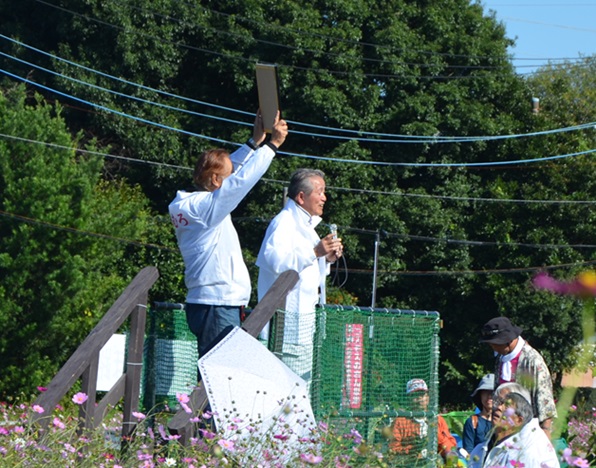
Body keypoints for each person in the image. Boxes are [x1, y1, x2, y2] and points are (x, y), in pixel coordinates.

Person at [169, 111, 288, 360]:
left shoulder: (191, 204)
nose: (230, 176)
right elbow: (239, 182)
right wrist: (272, 146)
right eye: (225, 176)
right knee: (219, 375)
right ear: (215, 180)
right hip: (217, 304)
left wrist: (253, 143)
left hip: (210, 302)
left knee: (217, 375)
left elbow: (231, 173)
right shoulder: (206, 208)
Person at [256, 168, 343, 385]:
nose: (325, 197)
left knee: (298, 394)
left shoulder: (307, 226)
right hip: (286, 333)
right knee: (289, 395)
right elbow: (275, 262)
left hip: (302, 330)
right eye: (320, 191)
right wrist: (315, 252)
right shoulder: (284, 222)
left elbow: (309, 274)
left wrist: (327, 259)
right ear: (301, 197)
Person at [479, 316, 557, 438]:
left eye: (494, 343)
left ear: (506, 340)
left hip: (528, 431)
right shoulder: (500, 359)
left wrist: (546, 435)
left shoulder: (532, 361)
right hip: (505, 430)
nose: (492, 347)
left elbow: (545, 403)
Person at [470, 391, 560, 468]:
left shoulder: (528, 451)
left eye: (507, 408)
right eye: (500, 403)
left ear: (519, 420)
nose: (499, 408)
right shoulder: (480, 449)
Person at [390, 378, 457, 462]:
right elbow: (392, 448)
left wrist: (437, 435)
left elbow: (451, 445)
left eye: (422, 395)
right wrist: (413, 449)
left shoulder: (438, 420)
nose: (419, 399)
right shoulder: (400, 421)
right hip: (410, 463)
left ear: (428, 398)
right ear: (408, 399)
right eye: (415, 396)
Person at [462, 374, 494, 454]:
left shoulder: (504, 422)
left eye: (492, 392)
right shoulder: (472, 422)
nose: (489, 396)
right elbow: (468, 451)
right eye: (485, 392)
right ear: (480, 395)